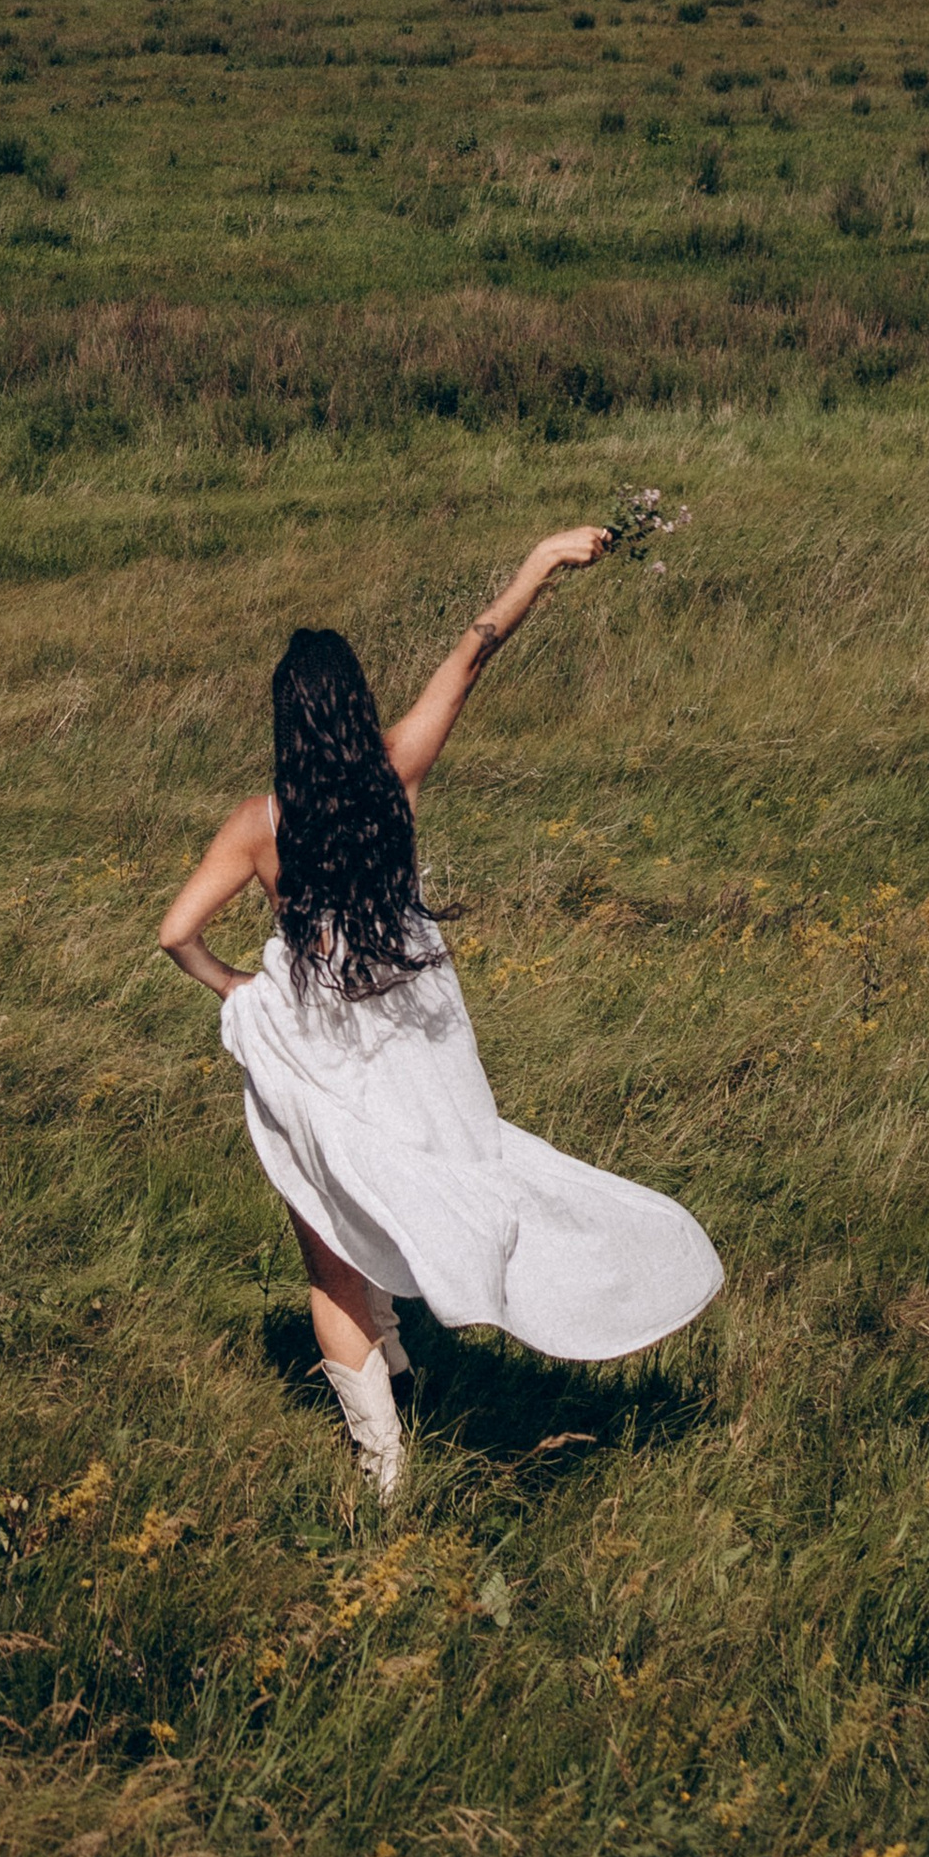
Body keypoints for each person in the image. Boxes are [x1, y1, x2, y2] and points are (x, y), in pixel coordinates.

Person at [158, 528, 723, 1500]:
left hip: (322, 1059)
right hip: (412, 1049)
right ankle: (411, 1363)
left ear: (286, 721)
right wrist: (542, 559)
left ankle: (384, 1470)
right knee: (436, 1180)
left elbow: (175, 933)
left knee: (331, 1252)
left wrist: (242, 991)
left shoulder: (258, 827)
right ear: (355, 708)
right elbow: (474, 650)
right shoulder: (394, 776)